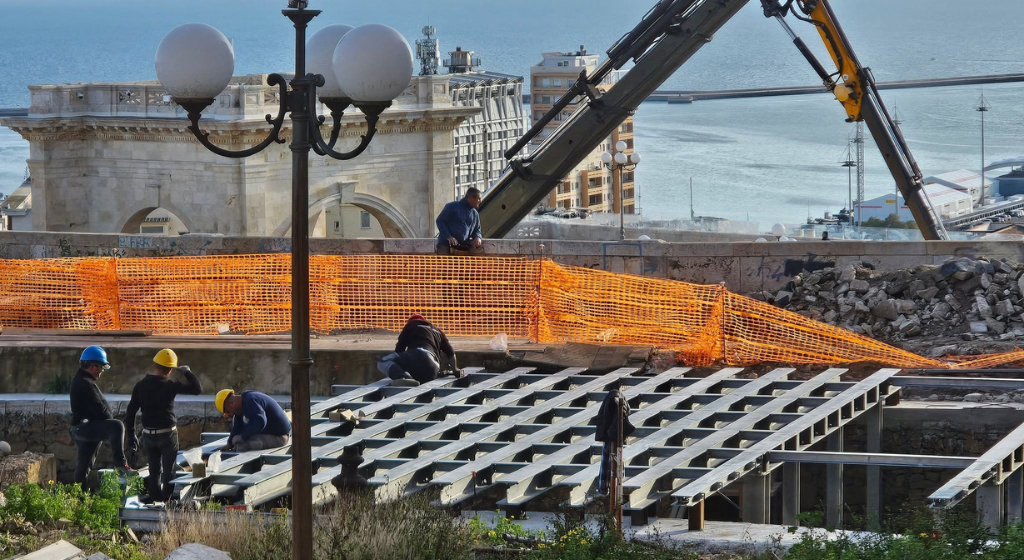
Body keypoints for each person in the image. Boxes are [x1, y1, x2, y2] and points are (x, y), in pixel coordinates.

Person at [122, 349, 202, 503]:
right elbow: (197, 388)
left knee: (154, 470)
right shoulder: (170, 384)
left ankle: (155, 499)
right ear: (170, 369)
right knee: (169, 471)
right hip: (168, 434)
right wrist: (187, 372)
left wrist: (131, 436)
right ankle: (166, 501)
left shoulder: (140, 386)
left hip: (149, 435)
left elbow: (130, 413)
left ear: (154, 364)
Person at [69, 346, 135, 487]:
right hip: (85, 428)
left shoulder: (83, 380)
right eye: (100, 367)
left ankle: (80, 497)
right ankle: (121, 465)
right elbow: (100, 410)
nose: (101, 371)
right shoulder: (85, 383)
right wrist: (108, 421)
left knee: (84, 466)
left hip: (83, 427)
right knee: (116, 426)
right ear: (93, 366)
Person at [376, 314, 463, 387]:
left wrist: (397, 368)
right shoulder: (438, 331)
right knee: (420, 373)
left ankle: (403, 377)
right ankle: (411, 379)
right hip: (433, 369)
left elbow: (399, 350)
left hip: (417, 355)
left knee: (382, 361)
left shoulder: (411, 324)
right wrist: (454, 369)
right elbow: (451, 353)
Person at [216, 389, 291, 452]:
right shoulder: (243, 403)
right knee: (240, 443)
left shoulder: (251, 401)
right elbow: (238, 426)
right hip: (267, 434)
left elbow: (260, 421)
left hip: (280, 437)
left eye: (228, 412)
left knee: (243, 447)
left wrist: (242, 436)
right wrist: (230, 443)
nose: (230, 414)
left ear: (232, 403)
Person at [435, 187, 483, 255]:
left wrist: (478, 237)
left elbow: (477, 229)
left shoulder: (475, 214)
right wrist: (448, 237)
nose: (480, 201)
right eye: (479, 199)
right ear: (471, 198)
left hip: (462, 248)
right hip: (445, 246)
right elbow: (440, 221)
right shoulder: (452, 207)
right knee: (445, 265)